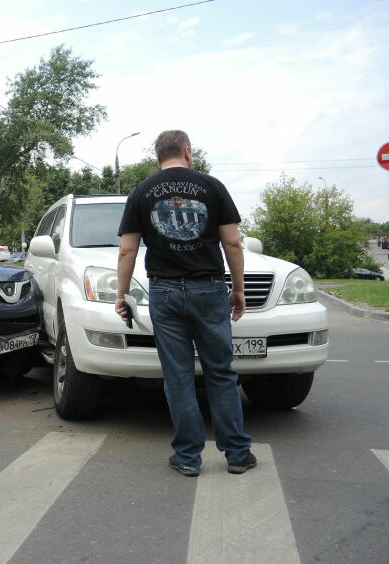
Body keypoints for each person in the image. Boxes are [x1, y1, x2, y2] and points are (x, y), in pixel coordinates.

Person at [115, 130, 256, 477]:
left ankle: (188, 458)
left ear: (158, 157)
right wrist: (238, 289)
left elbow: (127, 249)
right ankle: (237, 454)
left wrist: (121, 295)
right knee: (220, 372)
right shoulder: (212, 187)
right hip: (209, 289)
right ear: (187, 152)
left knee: (178, 377)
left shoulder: (142, 191)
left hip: (164, 291)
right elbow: (233, 244)